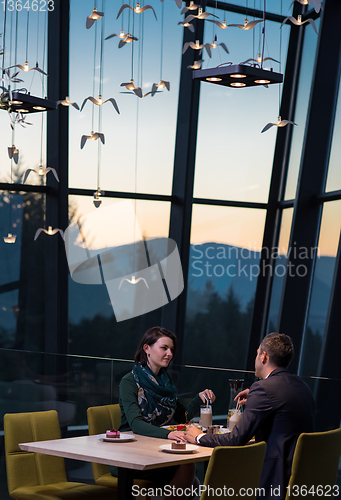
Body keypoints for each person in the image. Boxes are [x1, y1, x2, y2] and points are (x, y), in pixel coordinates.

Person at [184, 333, 315, 500]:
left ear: (264, 356)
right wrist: (255, 393)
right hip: (300, 478)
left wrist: (199, 437)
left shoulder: (264, 388)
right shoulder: (303, 386)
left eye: (257, 352)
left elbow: (235, 439)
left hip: (273, 481)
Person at [111, 326, 216, 499]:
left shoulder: (166, 383)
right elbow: (136, 425)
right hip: (129, 454)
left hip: (157, 449)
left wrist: (199, 399)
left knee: (193, 483)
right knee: (189, 473)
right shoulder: (129, 381)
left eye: (171, 349)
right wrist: (169, 435)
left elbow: (183, 418)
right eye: (164, 348)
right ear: (147, 349)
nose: (169, 353)